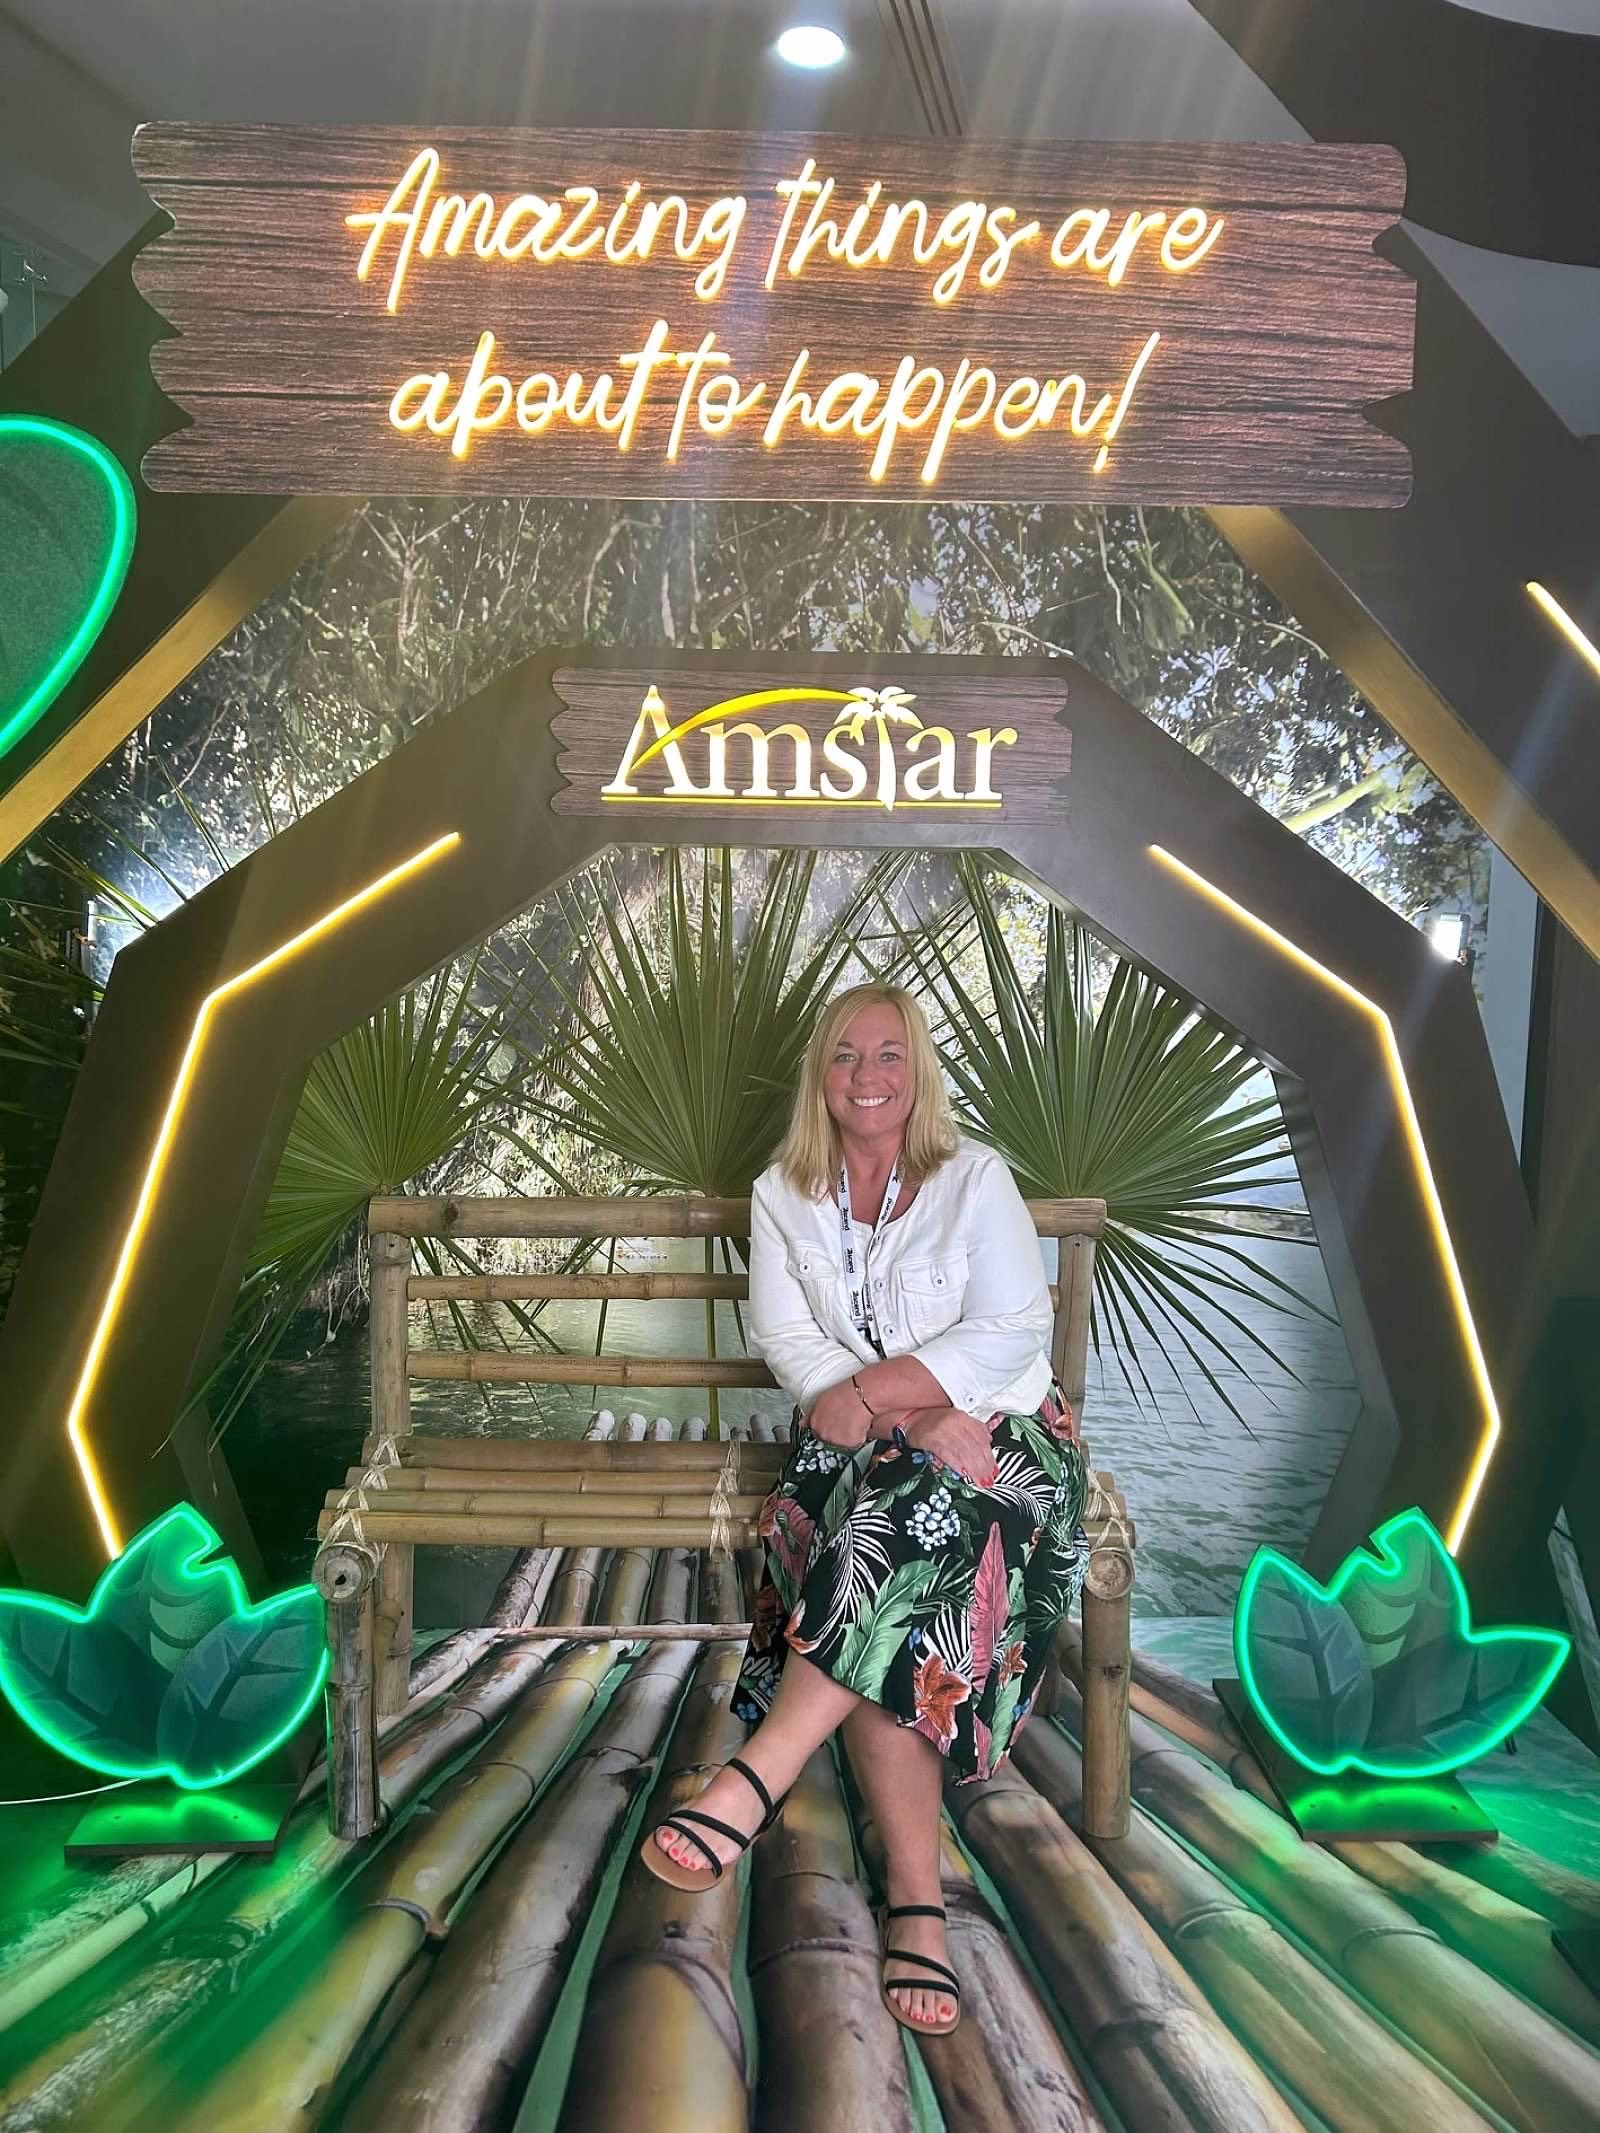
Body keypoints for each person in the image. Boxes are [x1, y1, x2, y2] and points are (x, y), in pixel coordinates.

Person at [640, 982, 1089, 2037]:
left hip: (1006, 1436)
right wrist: (891, 1420)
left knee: (926, 1517)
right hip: (856, 1445)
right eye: (845, 1057)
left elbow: (1014, 1328)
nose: (867, 1076)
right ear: (820, 1075)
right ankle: (919, 1907)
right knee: (912, 1546)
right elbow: (791, 1342)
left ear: (916, 1068)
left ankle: (759, 1771)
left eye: (888, 1054)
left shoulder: (972, 1176)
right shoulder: (779, 1191)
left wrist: (900, 1401)